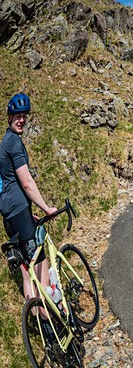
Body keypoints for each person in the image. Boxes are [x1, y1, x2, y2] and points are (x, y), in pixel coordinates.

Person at [1, 93, 58, 306]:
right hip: (18, 210)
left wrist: (25, 212)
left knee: (26, 271)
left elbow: (7, 183)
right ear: (9, 117)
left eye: (25, 116)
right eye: (17, 116)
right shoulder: (14, 143)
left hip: (10, 215)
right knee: (40, 265)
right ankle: (50, 326)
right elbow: (26, 182)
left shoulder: (3, 143)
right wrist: (46, 209)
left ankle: (37, 322)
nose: (22, 120)